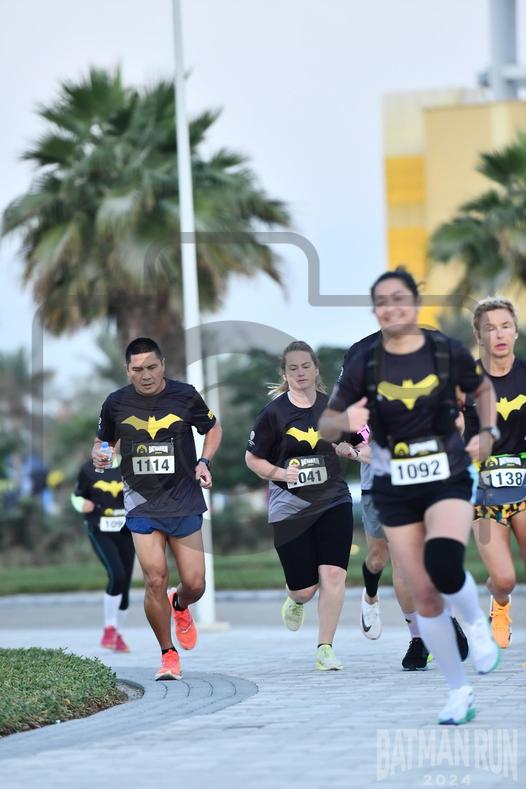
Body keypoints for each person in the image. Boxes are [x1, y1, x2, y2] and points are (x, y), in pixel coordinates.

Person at [319, 267, 500, 725]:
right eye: (382, 301)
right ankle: (458, 691)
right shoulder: (363, 360)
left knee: (443, 562)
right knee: (423, 591)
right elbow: (327, 424)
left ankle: (477, 626)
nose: (391, 308)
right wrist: (344, 421)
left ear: (415, 303)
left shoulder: (443, 348)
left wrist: (487, 433)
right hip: (393, 481)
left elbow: (482, 390)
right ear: (375, 310)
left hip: (445, 472)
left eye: (399, 299)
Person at [92, 337, 222, 681]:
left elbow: (213, 428)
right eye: (138, 369)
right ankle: (168, 654)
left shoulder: (185, 395)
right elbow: (104, 441)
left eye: (151, 367)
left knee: (195, 583)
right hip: (141, 502)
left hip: (183, 498)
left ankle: (180, 604)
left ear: (163, 365)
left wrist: (204, 461)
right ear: (127, 370)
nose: (145, 375)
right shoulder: (116, 402)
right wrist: (101, 454)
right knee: (154, 578)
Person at [245, 341, 367, 671]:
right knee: (305, 590)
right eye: (293, 368)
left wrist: (354, 452)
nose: (300, 373)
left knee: (334, 574)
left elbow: (364, 445)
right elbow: (252, 459)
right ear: (285, 374)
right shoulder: (273, 414)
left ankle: (325, 648)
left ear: (316, 369)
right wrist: (281, 474)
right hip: (290, 506)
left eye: (305, 366)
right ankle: (294, 598)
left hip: (333, 499)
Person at [335, 432, 468, 669]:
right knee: (377, 560)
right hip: (378, 491)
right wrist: (349, 449)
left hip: (418, 487)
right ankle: (374, 599)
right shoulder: (362, 412)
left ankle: (434, 628)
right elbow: (350, 441)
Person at [464, 297, 526, 649]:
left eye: (505, 326)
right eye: (490, 328)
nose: (499, 334)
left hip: (525, 481)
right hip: (483, 492)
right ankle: (499, 603)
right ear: (478, 336)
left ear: (515, 332)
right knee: (504, 579)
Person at [72, 455, 134, 652]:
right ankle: (109, 628)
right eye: (101, 442)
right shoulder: (88, 469)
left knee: (125, 584)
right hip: (99, 529)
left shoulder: (130, 464)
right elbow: (76, 495)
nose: (107, 445)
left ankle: (117, 634)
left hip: (126, 531)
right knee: (117, 574)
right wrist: (81, 504)